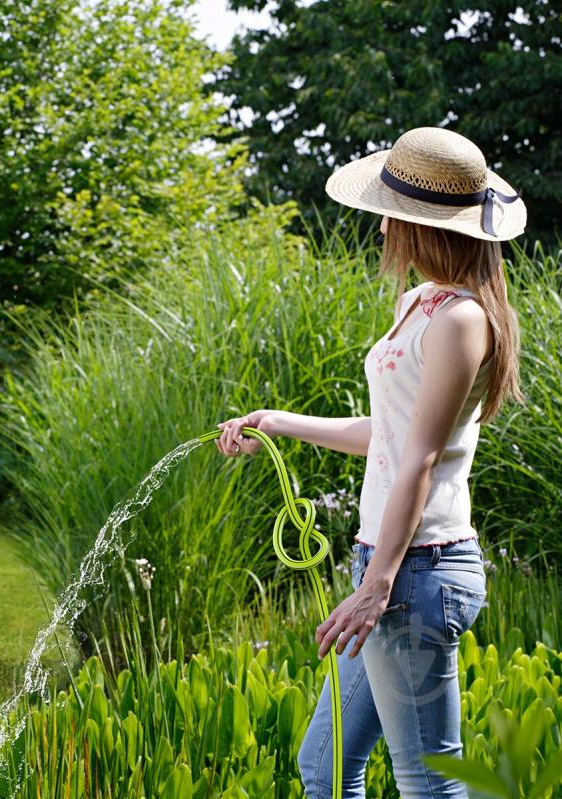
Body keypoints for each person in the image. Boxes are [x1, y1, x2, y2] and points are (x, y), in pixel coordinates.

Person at [213, 126, 526, 798]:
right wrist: (275, 421)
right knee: (323, 769)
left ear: (420, 225)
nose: (382, 222)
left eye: (393, 211)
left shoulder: (461, 320)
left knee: (428, 779)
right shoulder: (418, 304)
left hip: (415, 572)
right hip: (387, 565)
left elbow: (416, 460)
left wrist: (377, 583)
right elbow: (389, 432)